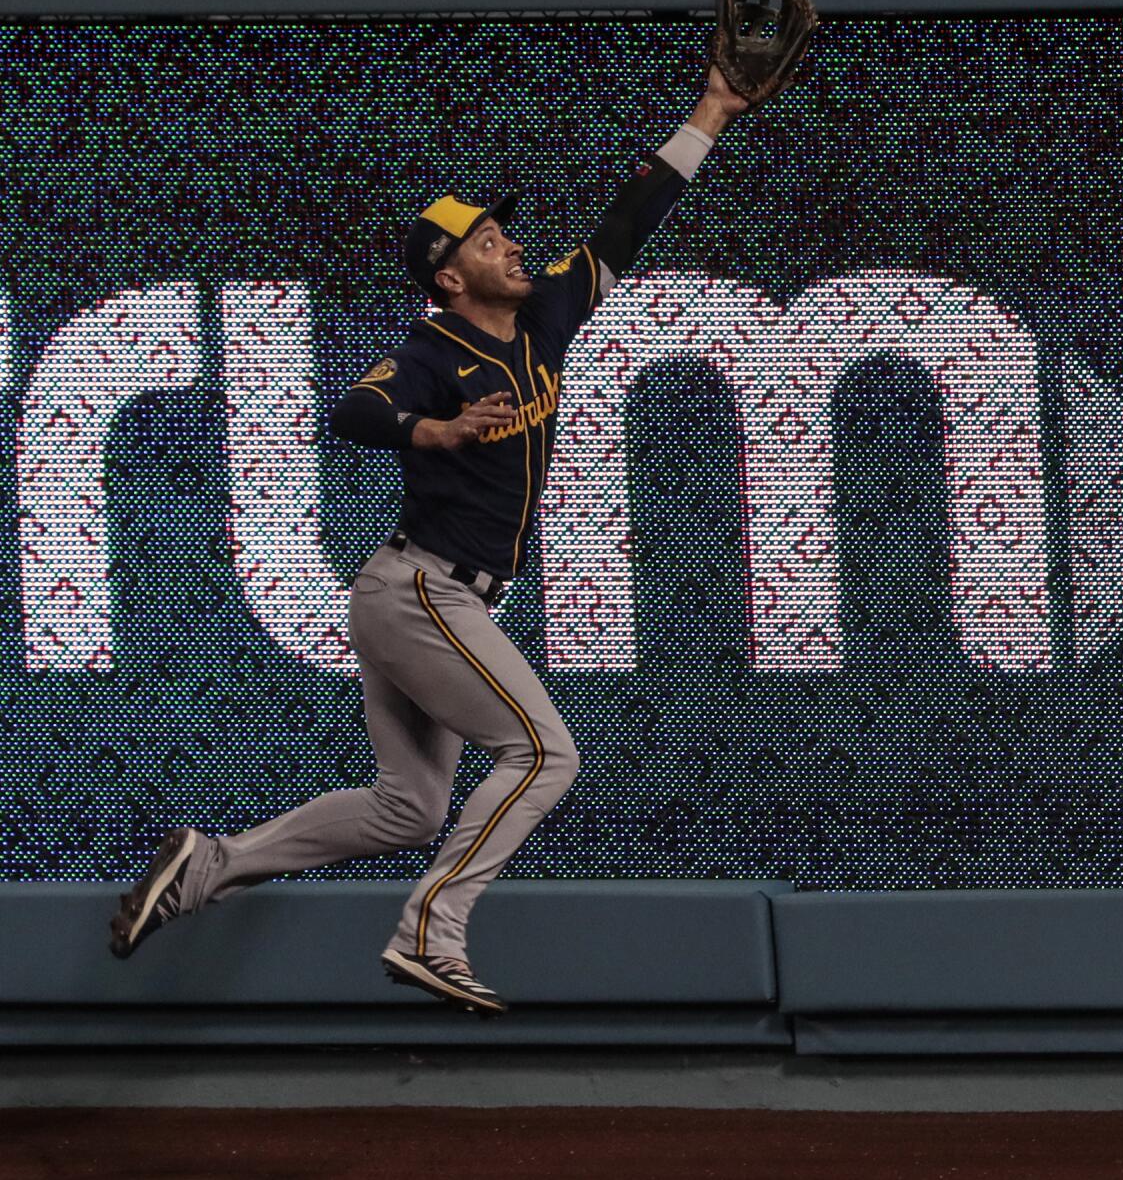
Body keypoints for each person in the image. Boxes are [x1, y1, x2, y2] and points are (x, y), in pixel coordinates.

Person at [107, 64, 758, 1017]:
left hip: (426, 598)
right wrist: (435, 428)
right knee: (544, 754)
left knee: (409, 806)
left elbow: (630, 218)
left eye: (504, 233)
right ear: (450, 276)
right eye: (488, 241)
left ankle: (212, 865)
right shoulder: (431, 352)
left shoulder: (543, 319)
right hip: (422, 595)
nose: (510, 245)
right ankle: (429, 932)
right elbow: (357, 408)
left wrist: (710, 111)